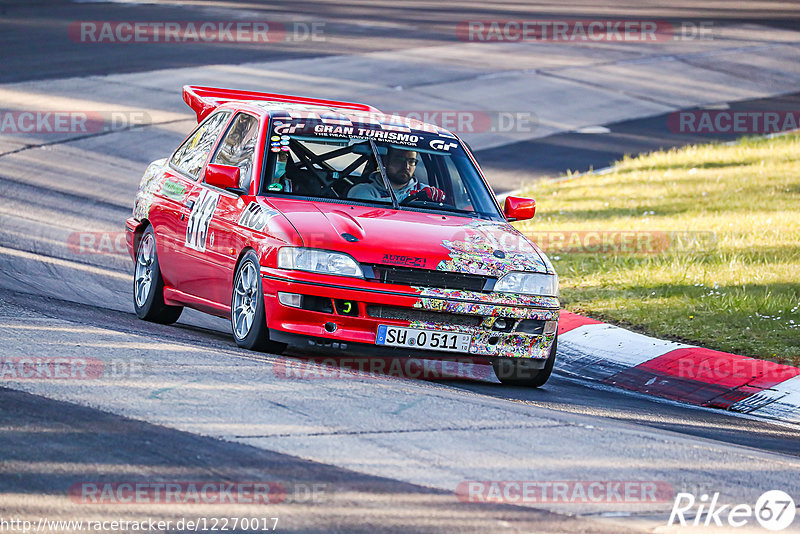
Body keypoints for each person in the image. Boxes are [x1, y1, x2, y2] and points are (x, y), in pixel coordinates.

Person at [349, 147, 444, 203]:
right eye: (399, 160)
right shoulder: (362, 190)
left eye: (411, 161)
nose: (406, 166)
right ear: (385, 162)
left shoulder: (425, 191)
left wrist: (441, 198)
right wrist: (411, 197)